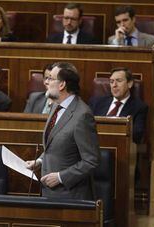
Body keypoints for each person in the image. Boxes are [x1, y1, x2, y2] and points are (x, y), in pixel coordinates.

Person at [26, 62, 100, 200]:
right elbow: (56, 145)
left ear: (62, 85)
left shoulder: (82, 115)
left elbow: (91, 161)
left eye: (51, 78)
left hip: (70, 196)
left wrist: (60, 177)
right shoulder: (56, 107)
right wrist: (40, 161)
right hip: (49, 192)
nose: (46, 82)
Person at [89, 67, 148, 144]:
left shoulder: (139, 107)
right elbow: (85, 125)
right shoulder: (96, 102)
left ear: (129, 84)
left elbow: (137, 135)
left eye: (119, 81)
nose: (114, 85)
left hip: (118, 146)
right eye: (111, 81)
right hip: (94, 145)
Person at [108, 5, 154, 77]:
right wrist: (117, 42)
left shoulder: (150, 39)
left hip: (145, 79)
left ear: (133, 19)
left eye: (125, 20)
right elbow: (110, 65)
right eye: (118, 22)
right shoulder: (112, 40)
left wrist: (146, 69)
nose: (122, 25)